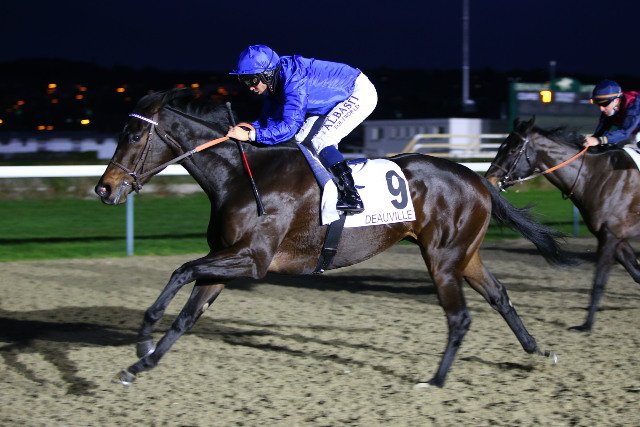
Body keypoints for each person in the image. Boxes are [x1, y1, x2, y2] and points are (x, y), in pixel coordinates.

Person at [226, 44, 378, 215]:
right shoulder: (275, 83)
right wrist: (248, 128)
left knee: (322, 140)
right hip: (332, 101)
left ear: (267, 74)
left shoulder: (293, 81)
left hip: (357, 92)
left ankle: (351, 195)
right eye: (244, 81)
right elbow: (268, 120)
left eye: (252, 80)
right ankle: (325, 189)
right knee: (301, 140)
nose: (249, 87)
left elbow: (290, 127)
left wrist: (251, 135)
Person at [583, 79, 640, 149]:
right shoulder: (611, 106)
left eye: (604, 104)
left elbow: (625, 132)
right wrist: (594, 139)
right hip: (632, 131)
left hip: (634, 133)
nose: (601, 109)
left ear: (616, 100)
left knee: (637, 138)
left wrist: (599, 140)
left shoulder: (634, 105)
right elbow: (601, 131)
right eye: (599, 104)